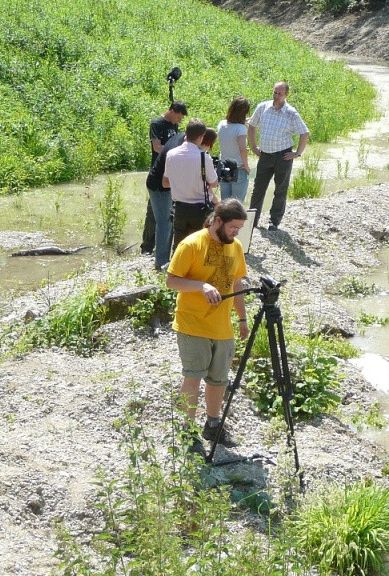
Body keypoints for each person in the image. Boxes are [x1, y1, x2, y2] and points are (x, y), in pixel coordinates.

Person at [166, 198, 249, 450]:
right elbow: (171, 280)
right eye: (233, 227)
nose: (236, 233)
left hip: (222, 327)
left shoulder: (235, 246)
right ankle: (188, 432)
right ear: (218, 221)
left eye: (239, 229)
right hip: (192, 324)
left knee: (218, 380)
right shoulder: (191, 244)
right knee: (193, 378)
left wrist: (242, 319)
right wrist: (200, 286)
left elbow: (236, 284)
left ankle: (213, 426)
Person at [247, 82, 309, 230]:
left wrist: (297, 153)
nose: (276, 96)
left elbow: (304, 133)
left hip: (283, 156)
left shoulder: (291, 113)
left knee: (280, 190)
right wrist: (254, 146)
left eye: (279, 93)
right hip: (265, 154)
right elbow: (252, 126)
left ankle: (274, 222)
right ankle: (252, 221)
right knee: (258, 188)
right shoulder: (263, 107)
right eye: (274, 92)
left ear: (286, 95)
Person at [164, 120, 218, 255]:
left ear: (186, 133)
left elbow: (165, 182)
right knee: (197, 246)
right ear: (201, 137)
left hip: (179, 208)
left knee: (179, 245)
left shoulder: (171, 154)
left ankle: (175, 270)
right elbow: (214, 182)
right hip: (199, 209)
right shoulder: (203, 157)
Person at [141, 101, 188, 255]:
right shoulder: (157, 124)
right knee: (152, 212)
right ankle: (147, 246)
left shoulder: (173, 125)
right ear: (173, 111)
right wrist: (175, 153)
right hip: (158, 170)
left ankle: (165, 246)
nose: (179, 122)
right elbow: (157, 147)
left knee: (170, 210)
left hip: (171, 171)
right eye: (179, 118)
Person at [144, 130, 186, 270]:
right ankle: (160, 261)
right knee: (164, 223)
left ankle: (164, 257)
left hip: (163, 184)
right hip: (159, 186)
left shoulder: (178, 137)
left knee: (169, 221)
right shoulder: (180, 146)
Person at [216, 97, 251, 203]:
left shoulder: (221, 124)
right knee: (236, 203)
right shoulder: (241, 129)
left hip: (223, 167)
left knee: (225, 202)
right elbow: (242, 150)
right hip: (238, 168)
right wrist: (246, 166)